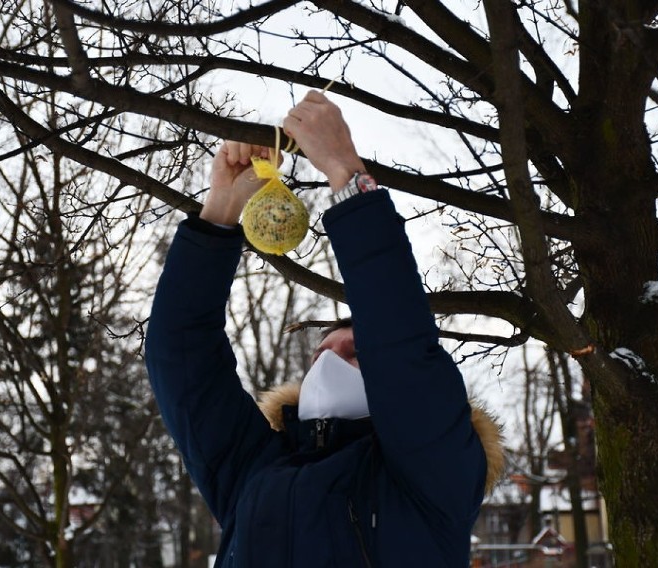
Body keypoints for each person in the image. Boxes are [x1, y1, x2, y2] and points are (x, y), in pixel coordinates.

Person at [145, 91, 504, 567]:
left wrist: (346, 177)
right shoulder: (256, 466)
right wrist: (219, 213)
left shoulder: (434, 474)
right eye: (321, 352)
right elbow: (181, 359)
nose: (330, 359)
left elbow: (402, 349)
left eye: (357, 351)